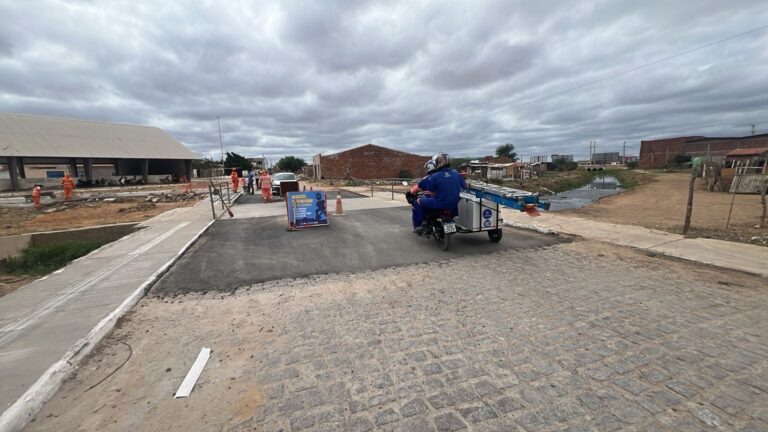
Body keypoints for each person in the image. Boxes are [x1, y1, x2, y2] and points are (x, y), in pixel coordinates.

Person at [412, 153, 466, 234]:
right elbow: (464, 186)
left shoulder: (435, 176)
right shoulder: (456, 173)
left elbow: (431, 192)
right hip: (455, 205)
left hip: (439, 204)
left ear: (438, 163)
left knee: (419, 201)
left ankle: (424, 223)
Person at [407, 159, 437, 232]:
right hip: (444, 200)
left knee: (416, 202)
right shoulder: (441, 176)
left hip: (432, 201)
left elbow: (415, 189)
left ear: (428, 168)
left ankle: (420, 224)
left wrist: (409, 194)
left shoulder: (426, 179)